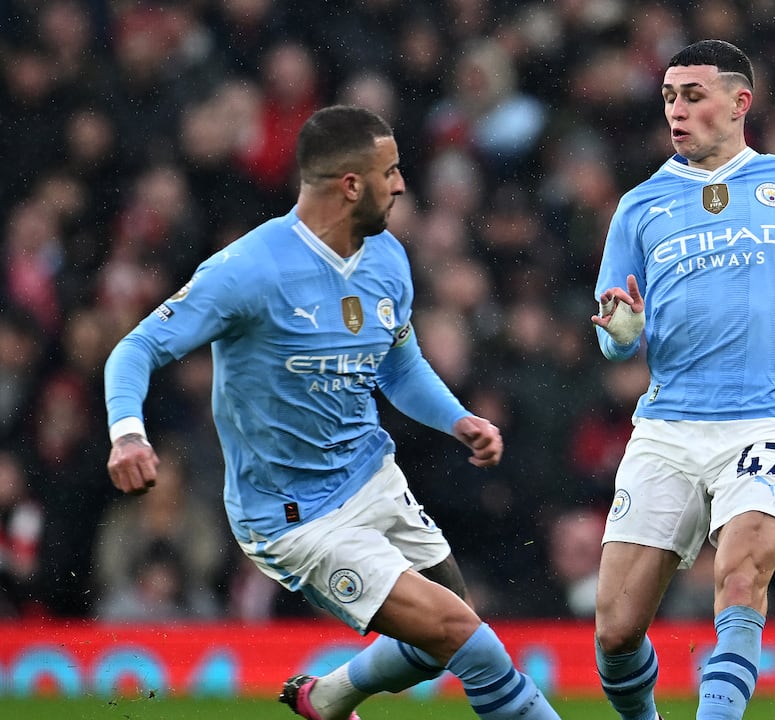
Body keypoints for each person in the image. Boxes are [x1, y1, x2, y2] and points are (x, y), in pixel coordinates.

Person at [104, 105, 561, 720]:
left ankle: (327, 697)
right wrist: (128, 435)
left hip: (372, 476)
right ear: (351, 184)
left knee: (440, 639)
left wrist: (458, 420)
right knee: (465, 637)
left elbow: (398, 366)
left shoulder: (389, 259)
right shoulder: (249, 269)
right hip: (295, 516)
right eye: (391, 172)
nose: (401, 185)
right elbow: (137, 347)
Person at [590, 40, 775, 720]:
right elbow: (611, 332)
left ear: (739, 102)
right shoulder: (640, 206)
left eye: (692, 96)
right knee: (615, 631)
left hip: (769, 417)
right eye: (668, 97)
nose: (677, 111)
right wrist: (621, 331)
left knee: (743, 575)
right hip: (669, 425)